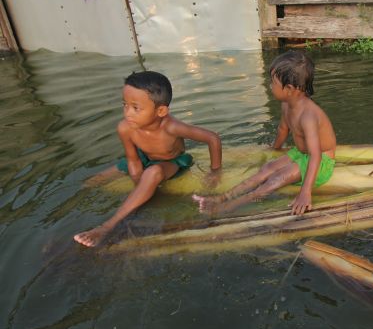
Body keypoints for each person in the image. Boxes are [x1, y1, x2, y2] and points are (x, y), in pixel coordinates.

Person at [74, 71, 222, 247]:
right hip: (143, 158)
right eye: (125, 105)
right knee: (92, 182)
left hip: (172, 163)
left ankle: (106, 227)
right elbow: (133, 160)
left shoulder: (172, 127)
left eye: (136, 108)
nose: (128, 113)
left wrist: (215, 171)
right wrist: (139, 186)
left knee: (153, 172)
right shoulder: (125, 128)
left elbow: (212, 138)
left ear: (160, 110)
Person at [193, 51, 336, 216]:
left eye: (273, 82)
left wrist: (305, 192)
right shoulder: (286, 104)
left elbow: (316, 155)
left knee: (275, 180)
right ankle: (222, 198)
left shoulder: (308, 116)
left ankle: (225, 208)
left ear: (289, 88)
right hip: (300, 153)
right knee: (267, 168)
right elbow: (283, 129)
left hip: (321, 161)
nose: (269, 86)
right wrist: (275, 148)